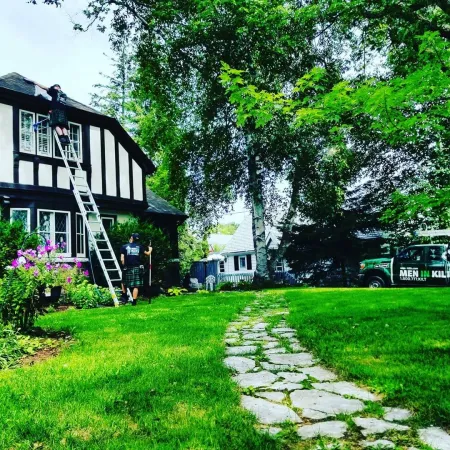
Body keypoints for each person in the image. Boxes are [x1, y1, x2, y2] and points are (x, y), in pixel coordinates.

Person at [23, 78, 70, 146]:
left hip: (55, 110)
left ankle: (62, 138)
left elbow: (45, 88)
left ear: (56, 87)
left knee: (56, 124)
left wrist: (35, 82)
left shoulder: (54, 91)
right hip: (63, 112)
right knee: (63, 126)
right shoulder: (64, 95)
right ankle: (66, 138)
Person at [120, 233, 152, 306]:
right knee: (136, 286)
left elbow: (122, 259)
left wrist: (124, 265)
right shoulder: (139, 246)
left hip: (127, 267)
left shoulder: (124, 246)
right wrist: (150, 250)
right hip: (137, 267)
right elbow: (147, 254)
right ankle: (134, 302)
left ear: (131, 238)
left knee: (123, 282)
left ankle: (124, 297)